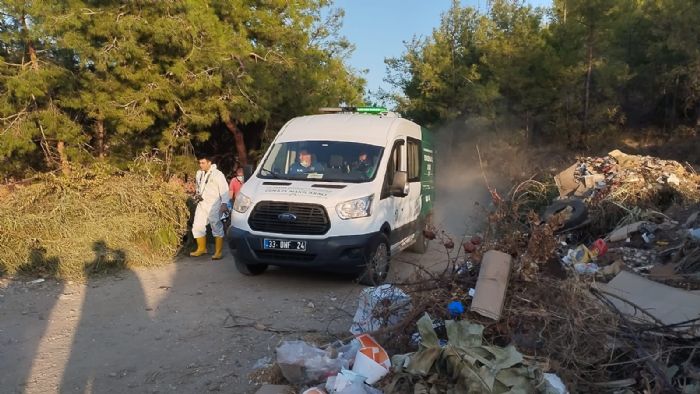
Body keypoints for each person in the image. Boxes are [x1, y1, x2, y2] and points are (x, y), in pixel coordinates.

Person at [190, 155, 230, 260]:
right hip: (202, 203)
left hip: (214, 204)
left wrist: (224, 204)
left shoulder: (218, 174)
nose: (200, 165)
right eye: (199, 163)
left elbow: (224, 190)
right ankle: (201, 248)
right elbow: (199, 188)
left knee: (216, 226)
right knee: (197, 226)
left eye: (203, 163)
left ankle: (218, 252)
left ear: (209, 163)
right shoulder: (199, 173)